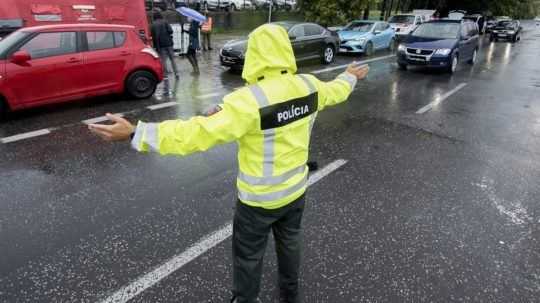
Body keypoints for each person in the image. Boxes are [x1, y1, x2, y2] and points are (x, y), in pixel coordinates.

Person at [88, 24, 369, 303]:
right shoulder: (309, 85)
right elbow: (337, 90)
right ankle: (290, 293)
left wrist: (138, 132)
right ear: (286, 50)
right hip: (295, 191)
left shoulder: (246, 102)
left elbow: (195, 133)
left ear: (254, 54)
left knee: (248, 256)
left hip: (257, 203)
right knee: (290, 243)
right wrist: (350, 76)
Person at [151, 12, 179, 78]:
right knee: (172, 59)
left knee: (163, 60)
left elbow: (154, 37)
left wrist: (156, 47)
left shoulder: (153, 24)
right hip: (169, 43)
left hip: (160, 45)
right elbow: (171, 31)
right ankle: (176, 73)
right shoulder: (165, 22)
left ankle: (165, 75)